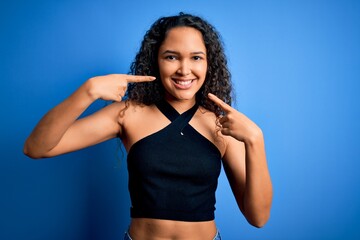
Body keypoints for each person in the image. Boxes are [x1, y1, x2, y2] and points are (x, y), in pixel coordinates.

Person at [24, 12, 272, 240]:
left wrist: (255, 140)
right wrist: (88, 91)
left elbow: (258, 218)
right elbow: (36, 148)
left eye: (196, 57)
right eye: (171, 57)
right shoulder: (127, 114)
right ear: (156, 61)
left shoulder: (223, 124)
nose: (184, 70)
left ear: (208, 63)